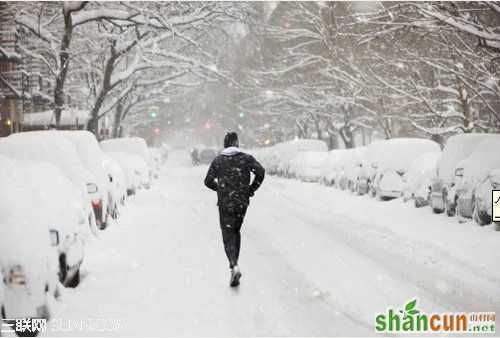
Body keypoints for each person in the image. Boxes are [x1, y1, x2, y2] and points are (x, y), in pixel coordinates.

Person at [204, 132, 265, 287]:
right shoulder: (246, 158)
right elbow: (261, 172)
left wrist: (219, 189)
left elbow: (207, 181)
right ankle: (234, 265)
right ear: (237, 143)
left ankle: (233, 264)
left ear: (225, 144)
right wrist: (251, 189)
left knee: (227, 234)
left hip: (225, 203)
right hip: (241, 203)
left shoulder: (219, 160)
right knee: (236, 231)